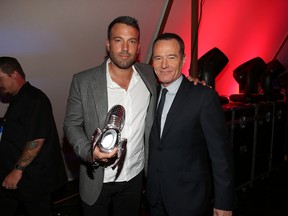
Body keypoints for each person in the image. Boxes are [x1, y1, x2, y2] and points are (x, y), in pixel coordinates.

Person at [63, 16, 158, 216]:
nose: (125, 48)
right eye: (118, 40)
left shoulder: (149, 75)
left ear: (139, 46)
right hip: (97, 179)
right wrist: (90, 151)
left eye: (131, 41)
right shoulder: (83, 81)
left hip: (135, 177)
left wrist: (193, 83)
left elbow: (172, 76)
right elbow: (71, 125)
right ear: (108, 44)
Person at [146, 33, 234, 216]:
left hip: (189, 199)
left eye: (171, 57)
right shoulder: (149, 94)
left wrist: (224, 202)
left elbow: (220, 155)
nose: (164, 65)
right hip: (155, 197)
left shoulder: (203, 97)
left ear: (183, 59)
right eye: (158, 58)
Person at [0, 56, 68, 216]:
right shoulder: (18, 100)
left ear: (14, 74)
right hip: (15, 176)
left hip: (32, 179)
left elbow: (36, 140)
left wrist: (16, 172)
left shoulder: (35, 99)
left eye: (0, 79)